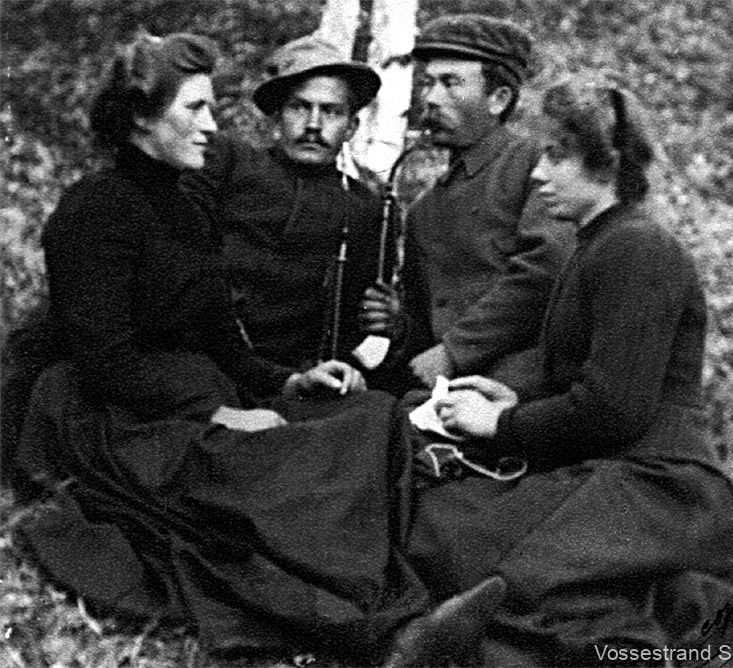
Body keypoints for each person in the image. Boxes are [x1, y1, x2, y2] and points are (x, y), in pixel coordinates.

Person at [13, 32, 507, 667]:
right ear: (140, 117)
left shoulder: (184, 210)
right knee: (266, 471)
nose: (211, 126)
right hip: (110, 415)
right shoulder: (95, 209)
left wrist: (289, 383)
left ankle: (399, 600)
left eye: (210, 109)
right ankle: (383, 631)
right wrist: (220, 415)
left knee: (369, 417)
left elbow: (224, 342)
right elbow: (105, 363)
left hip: (190, 394)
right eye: (196, 108)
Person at [403, 75, 733, 666]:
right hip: (616, 470)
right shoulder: (597, 244)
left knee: (513, 572)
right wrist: (511, 399)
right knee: (446, 524)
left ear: (608, 164)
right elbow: (585, 378)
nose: (539, 174)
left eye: (556, 157)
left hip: (662, 485)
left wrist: (500, 426)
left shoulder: (638, 248)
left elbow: (615, 407)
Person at [359, 13, 575, 391]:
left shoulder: (535, 166)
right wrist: (400, 323)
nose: (430, 98)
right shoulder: (425, 209)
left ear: (498, 99)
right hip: (447, 389)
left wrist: (454, 351)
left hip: (528, 382)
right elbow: (428, 329)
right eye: (427, 83)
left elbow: (547, 270)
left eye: (450, 83)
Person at [181, 35, 388, 376]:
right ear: (276, 116)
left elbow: (358, 322)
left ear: (351, 127)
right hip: (203, 359)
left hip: (300, 376)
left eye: (331, 112)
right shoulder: (229, 164)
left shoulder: (366, 209)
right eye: (299, 107)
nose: (313, 125)